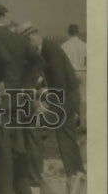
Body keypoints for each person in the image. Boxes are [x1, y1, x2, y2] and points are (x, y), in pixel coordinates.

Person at [0, 0, 37, 194]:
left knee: (1, 145)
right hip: (18, 96)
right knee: (18, 144)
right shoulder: (18, 38)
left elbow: (2, 58)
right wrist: (26, 84)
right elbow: (36, 60)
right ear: (3, 17)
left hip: (1, 97)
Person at [20, 24, 85, 183]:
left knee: (34, 128)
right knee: (67, 139)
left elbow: (58, 81)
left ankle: (35, 179)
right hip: (68, 98)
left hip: (64, 99)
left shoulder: (50, 50)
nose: (28, 47)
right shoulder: (45, 49)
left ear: (33, 37)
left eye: (27, 43)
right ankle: (76, 176)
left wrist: (46, 106)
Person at [60, 23, 87, 131]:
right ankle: (84, 123)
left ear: (68, 32)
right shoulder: (84, 45)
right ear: (78, 32)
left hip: (70, 73)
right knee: (83, 98)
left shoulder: (64, 46)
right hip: (83, 71)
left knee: (71, 98)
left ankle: (73, 122)